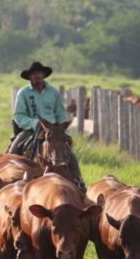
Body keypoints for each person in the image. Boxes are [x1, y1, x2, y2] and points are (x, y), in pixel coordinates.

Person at [10, 61, 84, 189]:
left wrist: (62, 130)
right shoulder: (23, 93)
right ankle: (9, 184)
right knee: (13, 152)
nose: (36, 76)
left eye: (39, 73)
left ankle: (79, 182)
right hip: (30, 130)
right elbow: (18, 115)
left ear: (43, 75)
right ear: (30, 77)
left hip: (53, 130)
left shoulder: (53, 92)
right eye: (33, 74)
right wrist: (34, 123)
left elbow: (60, 113)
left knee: (70, 156)